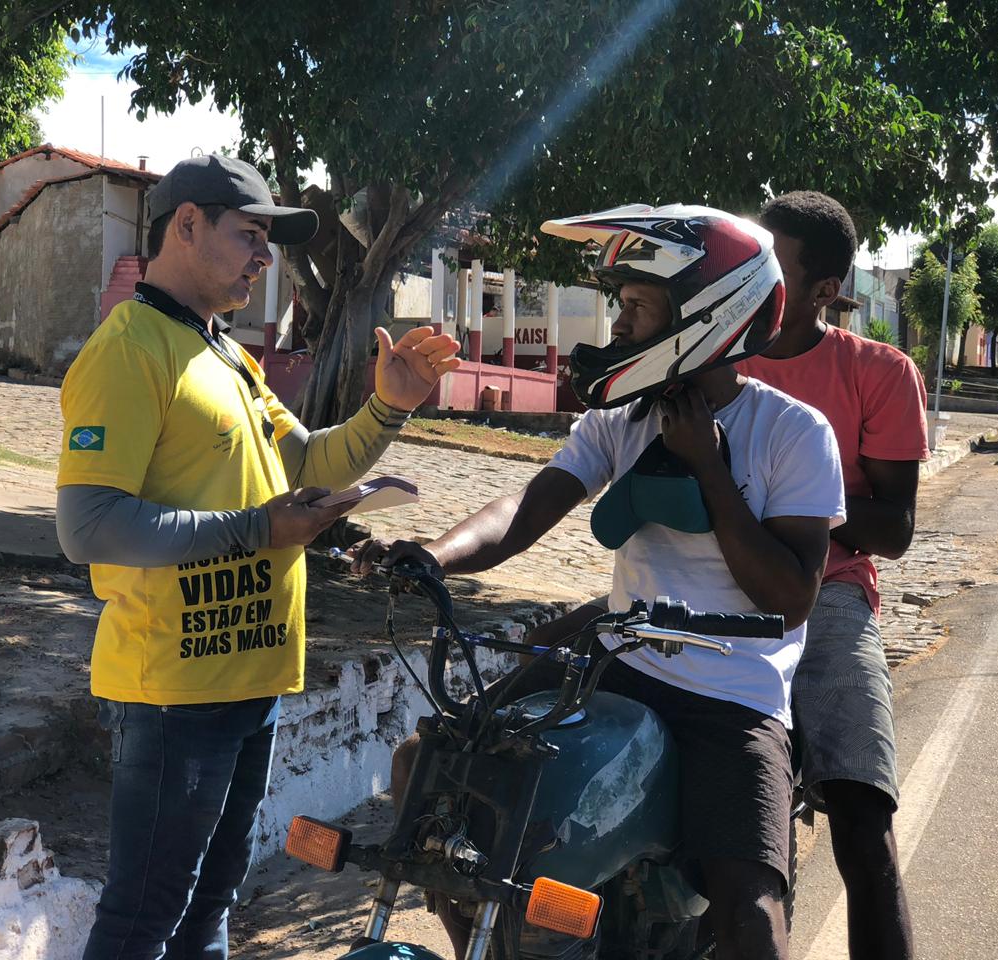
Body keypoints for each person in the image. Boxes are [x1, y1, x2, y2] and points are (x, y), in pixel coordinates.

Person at [353, 204, 846, 960]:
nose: (620, 324)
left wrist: (708, 466)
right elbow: (528, 504)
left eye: (638, 306)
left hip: (733, 693)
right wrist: (435, 554)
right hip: (617, 659)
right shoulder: (624, 420)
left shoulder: (793, 432)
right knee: (429, 766)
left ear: (707, 315)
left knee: (752, 914)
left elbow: (788, 597)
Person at [54, 153, 460, 960]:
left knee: (209, 909)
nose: (265, 257)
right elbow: (88, 526)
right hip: (176, 694)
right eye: (249, 235)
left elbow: (308, 461)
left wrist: (388, 407)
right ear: (187, 225)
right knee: (142, 921)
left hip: (252, 681)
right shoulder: (129, 349)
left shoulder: (227, 356)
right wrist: (254, 530)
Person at [737, 191, 927, 960]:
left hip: (831, 594)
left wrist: (800, 494)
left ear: (824, 290)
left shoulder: (879, 371)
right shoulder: (713, 358)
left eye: (773, 269)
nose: (753, 282)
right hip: (713, 586)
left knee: (862, 818)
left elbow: (894, 529)